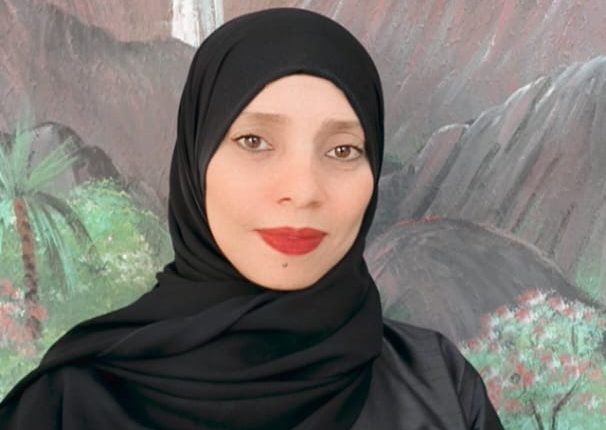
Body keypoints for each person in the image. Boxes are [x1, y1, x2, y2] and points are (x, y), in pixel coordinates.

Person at [0, 8, 504, 430]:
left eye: (343, 149)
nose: (302, 191)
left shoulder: (438, 386)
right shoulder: (68, 405)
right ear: (196, 162)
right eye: (254, 141)